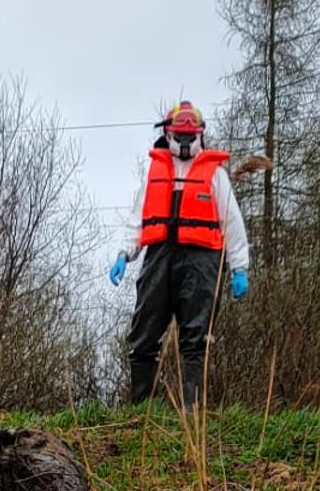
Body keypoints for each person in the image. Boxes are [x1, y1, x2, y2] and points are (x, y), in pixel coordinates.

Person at [108, 101, 255, 408]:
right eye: (180, 135)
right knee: (144, 335)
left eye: (191, 136)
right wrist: (124, 253)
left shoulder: (214, 174)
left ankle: (192, 410)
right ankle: (142, 408)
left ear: (200, 135)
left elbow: (233, 222)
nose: (185, 142)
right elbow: (138, 218)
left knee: (196, 338)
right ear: (169, 134)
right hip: (160, 255)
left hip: (201, 261)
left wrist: (239, 268)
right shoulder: (155, 172)